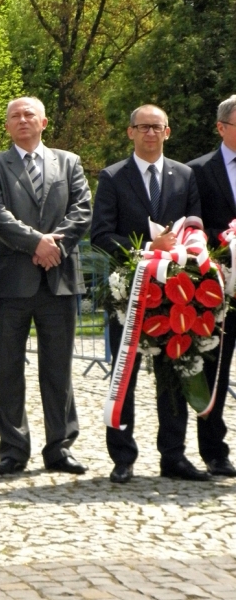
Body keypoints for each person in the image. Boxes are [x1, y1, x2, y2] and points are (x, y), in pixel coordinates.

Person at [91, 104, 209, 483]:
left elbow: (195, 227)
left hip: (176, 294)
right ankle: (122, 457)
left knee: (172, 375)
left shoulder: (185, 175)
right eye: (143, 127)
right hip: (127, 292)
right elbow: (100, 235)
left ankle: (173, 456)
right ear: (130, 132)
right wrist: (146, 249)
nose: (150, 133)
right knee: (123, 376)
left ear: (167, 132)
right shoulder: (113, 177)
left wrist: (187, 252)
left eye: (157, 127)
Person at [0, 96, 91, 476]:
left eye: (29, 114)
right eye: (15, 116)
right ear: (7, 126)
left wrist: (53, 246)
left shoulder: (69, 162)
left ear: (43, 122)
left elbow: (82, 210)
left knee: (58, 369)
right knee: (7, 370)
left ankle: (60, 448)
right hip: (10, 283)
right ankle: (13, 449)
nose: (22, 120)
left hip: (59, 280)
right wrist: (35, 244)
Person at [187, 96, 236, 477]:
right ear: (221, 127)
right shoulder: (198, 171)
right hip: (220, 288)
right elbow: (193, 226)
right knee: (214, 368)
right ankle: (214, 450)